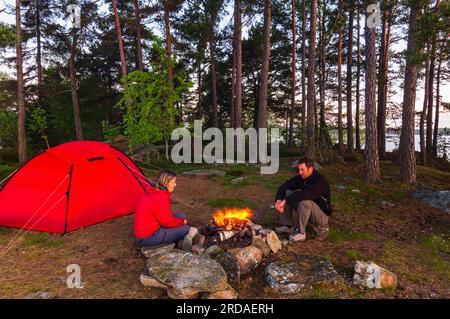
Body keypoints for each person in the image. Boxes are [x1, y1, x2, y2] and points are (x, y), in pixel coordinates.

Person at [134, 169, 198, 249]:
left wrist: (180, 221)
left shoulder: (152, 191)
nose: (175, 185)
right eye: (173, 182)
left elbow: (163, 217)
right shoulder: (160, 198)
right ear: (166, 184)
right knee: (185, 229)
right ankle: (181, 242)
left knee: (181, 215)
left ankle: (175, 236)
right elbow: (167, 222)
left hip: (152, 227)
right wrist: (182, 222)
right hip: (147, 237)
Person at [274, 157, 332, 241]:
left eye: (302, 170)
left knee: (304, 201)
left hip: (321, 215)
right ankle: (288, 226)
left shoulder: (320, 181)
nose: (300, 172)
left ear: (311, 169)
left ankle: (300, 233)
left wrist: (285, 201)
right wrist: (279, 200)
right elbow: (285, 185)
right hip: (306, 208)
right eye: (299, 169)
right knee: (287, 192)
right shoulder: (301, 177)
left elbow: (306, 194)